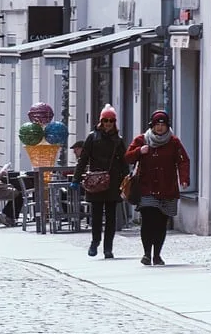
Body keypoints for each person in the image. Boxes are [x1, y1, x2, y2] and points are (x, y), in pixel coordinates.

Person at [124, 110, 190, 266]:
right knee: (148, 220)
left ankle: (157, 255)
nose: (160, 128)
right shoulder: (142, 140)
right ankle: (147, 253)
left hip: (167, 188)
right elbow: (127, 157)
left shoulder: (174, 142)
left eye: (163, 124)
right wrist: (139, 151)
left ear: (167, 126)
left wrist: (184, 179)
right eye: (157, 124)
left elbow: (183, 161)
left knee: (161, 222)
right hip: (147, 187)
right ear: (151, 126)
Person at [71, 104, 129, 259]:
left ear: (114, 122)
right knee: (96, 215)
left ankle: (108, 248)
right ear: (101, 121)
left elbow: (124, 162)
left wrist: (127, 181)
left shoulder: (118, 140)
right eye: (105, 120)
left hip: (113, 182)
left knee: (111, 217)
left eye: (111, 120)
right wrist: (76, 179)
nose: (108, 124)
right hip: (95, 181)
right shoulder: (92, 137)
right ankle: (95, 241)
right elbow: (83, 159)